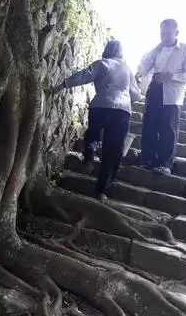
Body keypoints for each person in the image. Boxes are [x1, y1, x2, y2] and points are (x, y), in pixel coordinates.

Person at [54, 40, 140, 201]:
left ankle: (90, 153)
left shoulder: (103, 64)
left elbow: (85, 75)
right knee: (113, 151)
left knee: (92, 132)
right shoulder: (128, 70)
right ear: (121, 53)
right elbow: (136, 94)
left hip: (101, 105)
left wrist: (63, 84)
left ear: (107, 50)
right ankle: (102, 190)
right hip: (122, 111)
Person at [135, 19, 186, 176]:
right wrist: (139, 72)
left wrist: (172, 76)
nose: (164, 37)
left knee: (168, 129)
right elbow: (145, 63)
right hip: (155, 88)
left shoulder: (185, 50)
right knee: (149, 125)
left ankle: (165, 164)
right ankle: (147, 160)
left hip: (172, 94)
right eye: (162, 33)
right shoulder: (157, 49)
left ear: (177, 33)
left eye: (168, 34)